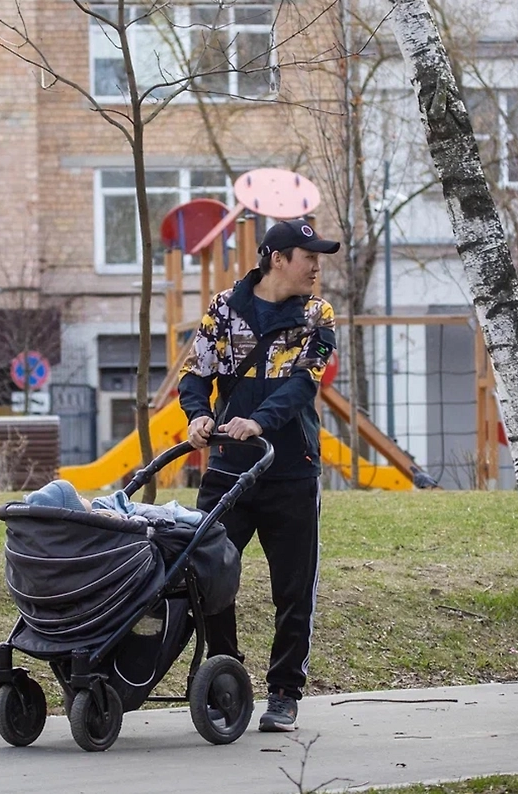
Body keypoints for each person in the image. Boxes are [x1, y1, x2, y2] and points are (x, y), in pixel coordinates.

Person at [178, 218, 339, 732]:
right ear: (276, 258)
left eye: (318, 257)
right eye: (307, 255)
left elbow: (301, 386)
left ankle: (285, 693)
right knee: (207, 572)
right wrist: (198, 416)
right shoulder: (224, 309)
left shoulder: (318, 315)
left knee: (293, 588)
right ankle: (228, 679)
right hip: (227, 470)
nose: (316, 265)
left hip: (291, 471)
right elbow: (194, 372)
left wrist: (259, 422)